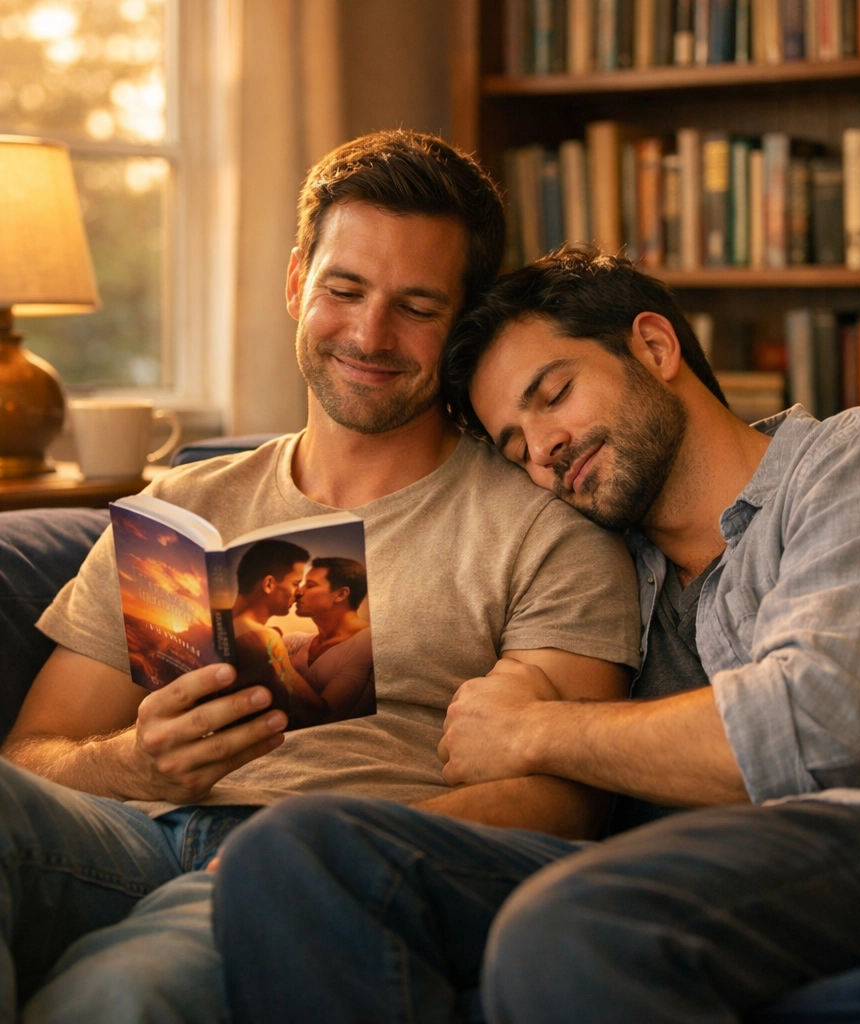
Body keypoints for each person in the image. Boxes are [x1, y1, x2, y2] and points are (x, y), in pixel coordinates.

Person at [212, 247, 860, 1024]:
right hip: (666, 866)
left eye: (554, 394)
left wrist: (536, 729)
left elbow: (812, 731)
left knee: (572, 927)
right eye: (515, 447)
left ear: (655, 344)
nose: (545, 451)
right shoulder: (603, 566)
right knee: (294, 856)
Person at [0, 147, 640, 1022]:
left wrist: (318, 849)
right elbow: (32, 752)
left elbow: (565, 799)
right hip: (129, 833)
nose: (370, 336)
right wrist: (133, 759)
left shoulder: (543, 523)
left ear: (464, 329)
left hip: (316, 869)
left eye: (416, 307)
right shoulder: (179, 507)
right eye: (344, 291)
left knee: (116, 997)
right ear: (298, 282)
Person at [229, 540, 328, 724]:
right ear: (268, 584)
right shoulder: (264, 637)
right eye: (296, 583)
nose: (299, 593)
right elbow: (312, 709)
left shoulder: (215, 628)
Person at [284, 556, 375, 721]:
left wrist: (277, 662)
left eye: (310, 585)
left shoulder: (367, 641)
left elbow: (324, 715)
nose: (298, 592)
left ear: (340, 594)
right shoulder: (298, 641)